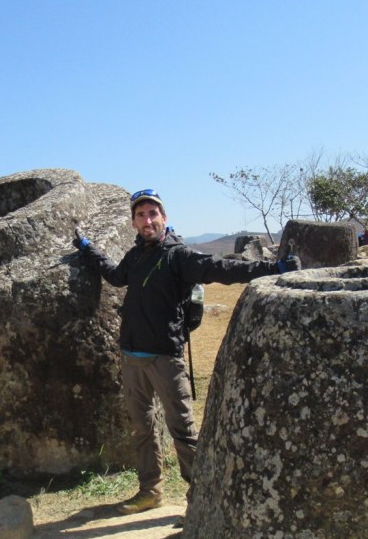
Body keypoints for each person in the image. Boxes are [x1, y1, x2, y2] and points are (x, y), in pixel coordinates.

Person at [72, 188, 300, 514]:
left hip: (165, 358)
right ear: (134, 222)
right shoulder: (135, 256)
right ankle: (150, 491)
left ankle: (201, 503)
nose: (147, 220)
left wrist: (273, 267)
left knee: (183, 432)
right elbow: (114, 275)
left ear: (163, 218)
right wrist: (87, 250)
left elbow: (222, 268)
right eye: (141, 215)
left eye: (153, 214)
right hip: (132, 359)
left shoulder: (179, 256)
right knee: (143, 430)